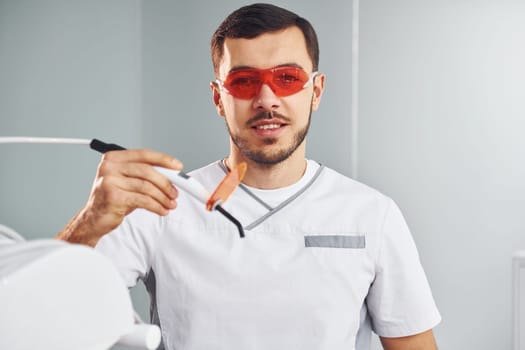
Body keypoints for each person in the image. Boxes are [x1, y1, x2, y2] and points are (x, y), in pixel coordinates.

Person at [57, 3, 441, 349]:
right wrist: (90, 222)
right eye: (243, 82)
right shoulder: (160, 203)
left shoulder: (372, 215)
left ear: (317, 91)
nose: (266, 99)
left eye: (287, 78)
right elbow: (42, 305)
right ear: (218, 98)